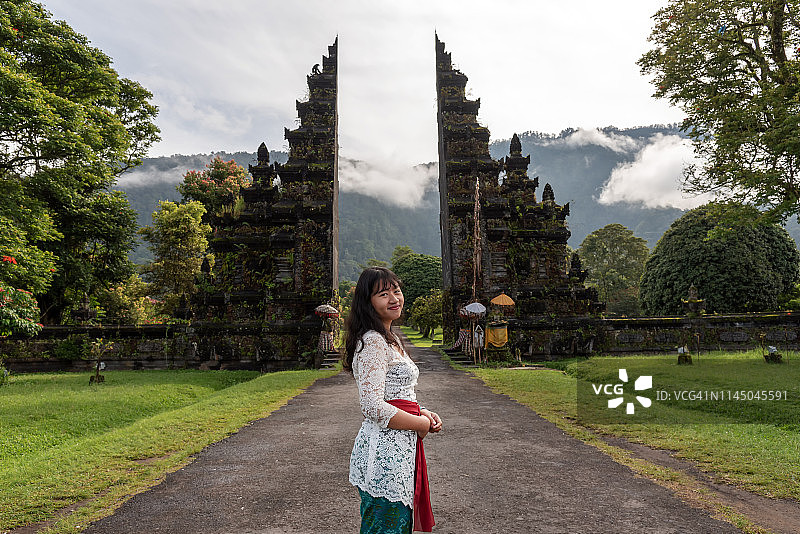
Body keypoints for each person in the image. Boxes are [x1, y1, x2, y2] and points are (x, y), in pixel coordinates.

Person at [343, 267, 442, 533]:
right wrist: (419, 424)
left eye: (396, 290)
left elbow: (397, 393)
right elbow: (372, 405)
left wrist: (422, 411)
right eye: (383, 294)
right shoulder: (373, 342)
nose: (394, 298)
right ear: (367, 302)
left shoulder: (390, 338)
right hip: (384, 456)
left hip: (399, 451)